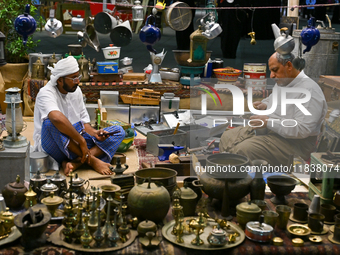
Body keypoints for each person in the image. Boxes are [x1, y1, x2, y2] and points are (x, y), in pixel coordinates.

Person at [219, 52, 327, 166]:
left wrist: (268, 122)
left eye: (275, 70)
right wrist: (264, 104)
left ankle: (242, 179)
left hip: (296, 143)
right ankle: (227, 172)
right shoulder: (283, 82)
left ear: (289, 66)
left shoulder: (310, 91)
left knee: (244, 150)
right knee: (227, 137)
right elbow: (272, 99)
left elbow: (302, 129)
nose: (271, 75)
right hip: (274, 132)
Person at [33, 56, 125, 176]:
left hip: (75, 143)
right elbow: (56, 118)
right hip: (53, 143)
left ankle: (75, 163)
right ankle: (92, 161)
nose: (78, 81)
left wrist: (94, 133)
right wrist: (81, 141)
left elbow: (83, 122)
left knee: (119, 131)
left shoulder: (76, 91)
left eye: (78, 77)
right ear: (60, 80)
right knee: (50, 122)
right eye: (74, 78)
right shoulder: (46, 93)